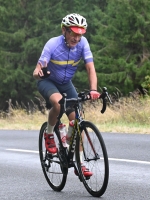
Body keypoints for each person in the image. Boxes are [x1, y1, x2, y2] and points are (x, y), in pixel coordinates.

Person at [33, 13, 100, 177]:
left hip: (66, 84)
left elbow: (90, 68)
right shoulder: (53, 44)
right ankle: (49, 134)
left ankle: (80, 163)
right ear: (64, 30)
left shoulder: (83, 44)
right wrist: (40, 74)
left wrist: (93, 90)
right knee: (58, 102)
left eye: (80, 34)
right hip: (48, 82)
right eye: (73, 33)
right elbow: (36, 71)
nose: (76, 38)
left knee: (77, 120)